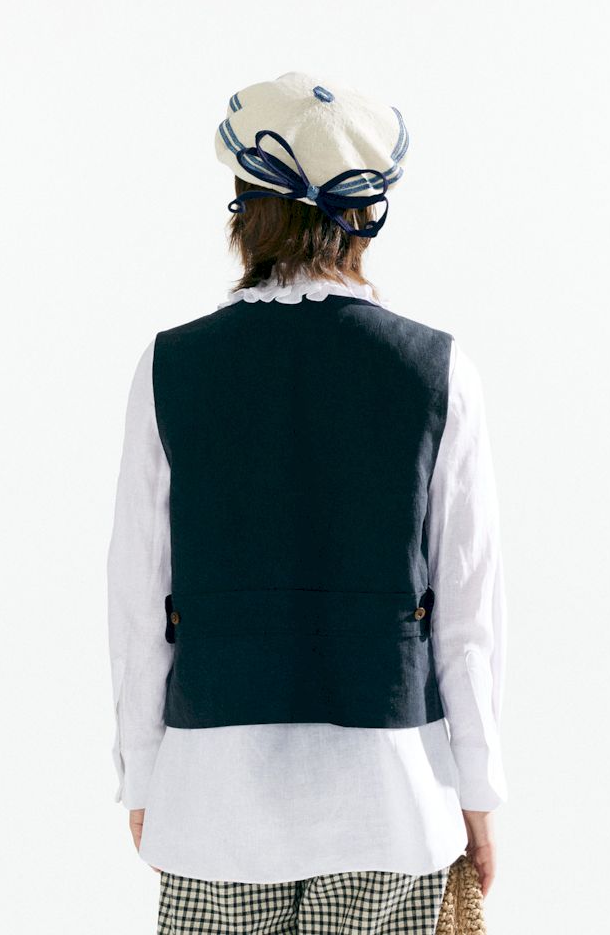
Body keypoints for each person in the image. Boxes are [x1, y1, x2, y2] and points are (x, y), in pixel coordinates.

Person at [107, 71, 508, 934]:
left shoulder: (171, 367)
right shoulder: (437, 371)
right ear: (365, 214)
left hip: (213, 798)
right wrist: (477, 791)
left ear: (245, 211)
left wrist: (143, 775)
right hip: (393, 799)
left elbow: (139, 599)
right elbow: (468, 616)